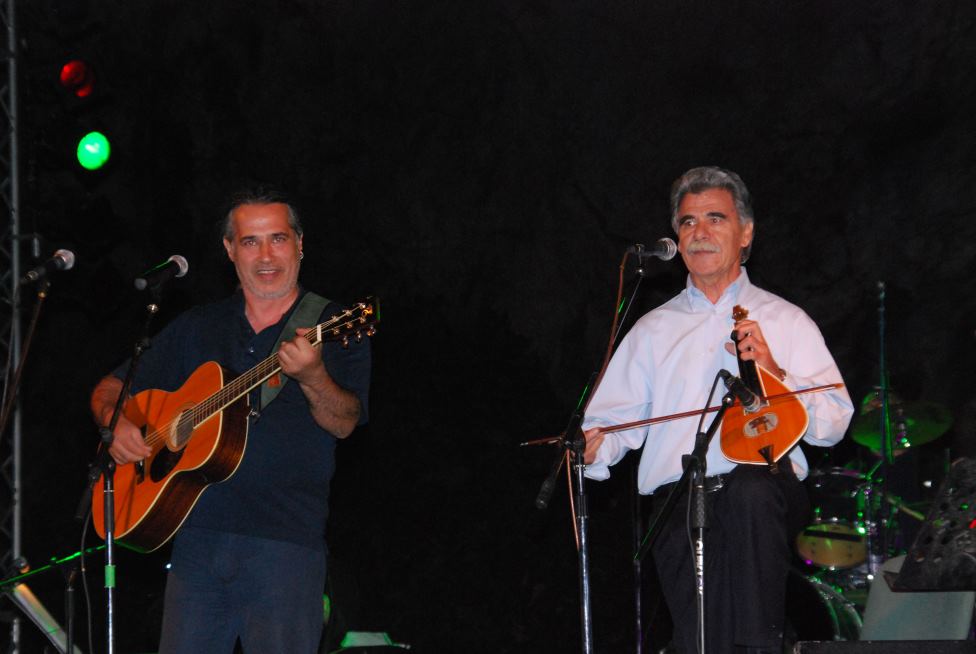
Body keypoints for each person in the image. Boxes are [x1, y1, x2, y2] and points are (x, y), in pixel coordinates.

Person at [582, 166, 853, 654]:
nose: (699, 232)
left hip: (766, 494)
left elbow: (833, 423)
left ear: (745, 233)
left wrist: (774, 371)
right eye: (688, 222)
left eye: (715, 218)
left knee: (749, 491)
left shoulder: (786, 320)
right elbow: (611, 424)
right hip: (680, 501)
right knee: (698, 641)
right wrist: (591, 447)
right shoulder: (652, 329)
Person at [90, 187, 371, 653]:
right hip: (194, 544)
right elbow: (110, 387)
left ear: (300, 244)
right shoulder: (198, 325)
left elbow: (344, 421)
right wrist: (114, 422)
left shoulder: (333, 324)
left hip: (284, 547)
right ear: (229, 250)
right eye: (250, 242)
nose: (266, 256)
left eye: (278, 239)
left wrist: (313, 375)